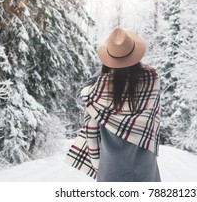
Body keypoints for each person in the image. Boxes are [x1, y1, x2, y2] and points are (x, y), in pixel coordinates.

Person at [64, 27, 161, 182]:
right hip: (144, 167)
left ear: (109, 60)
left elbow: (80, 94)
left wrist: (103, 71)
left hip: (111, 169)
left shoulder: (100, 88)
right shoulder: (152, 80)